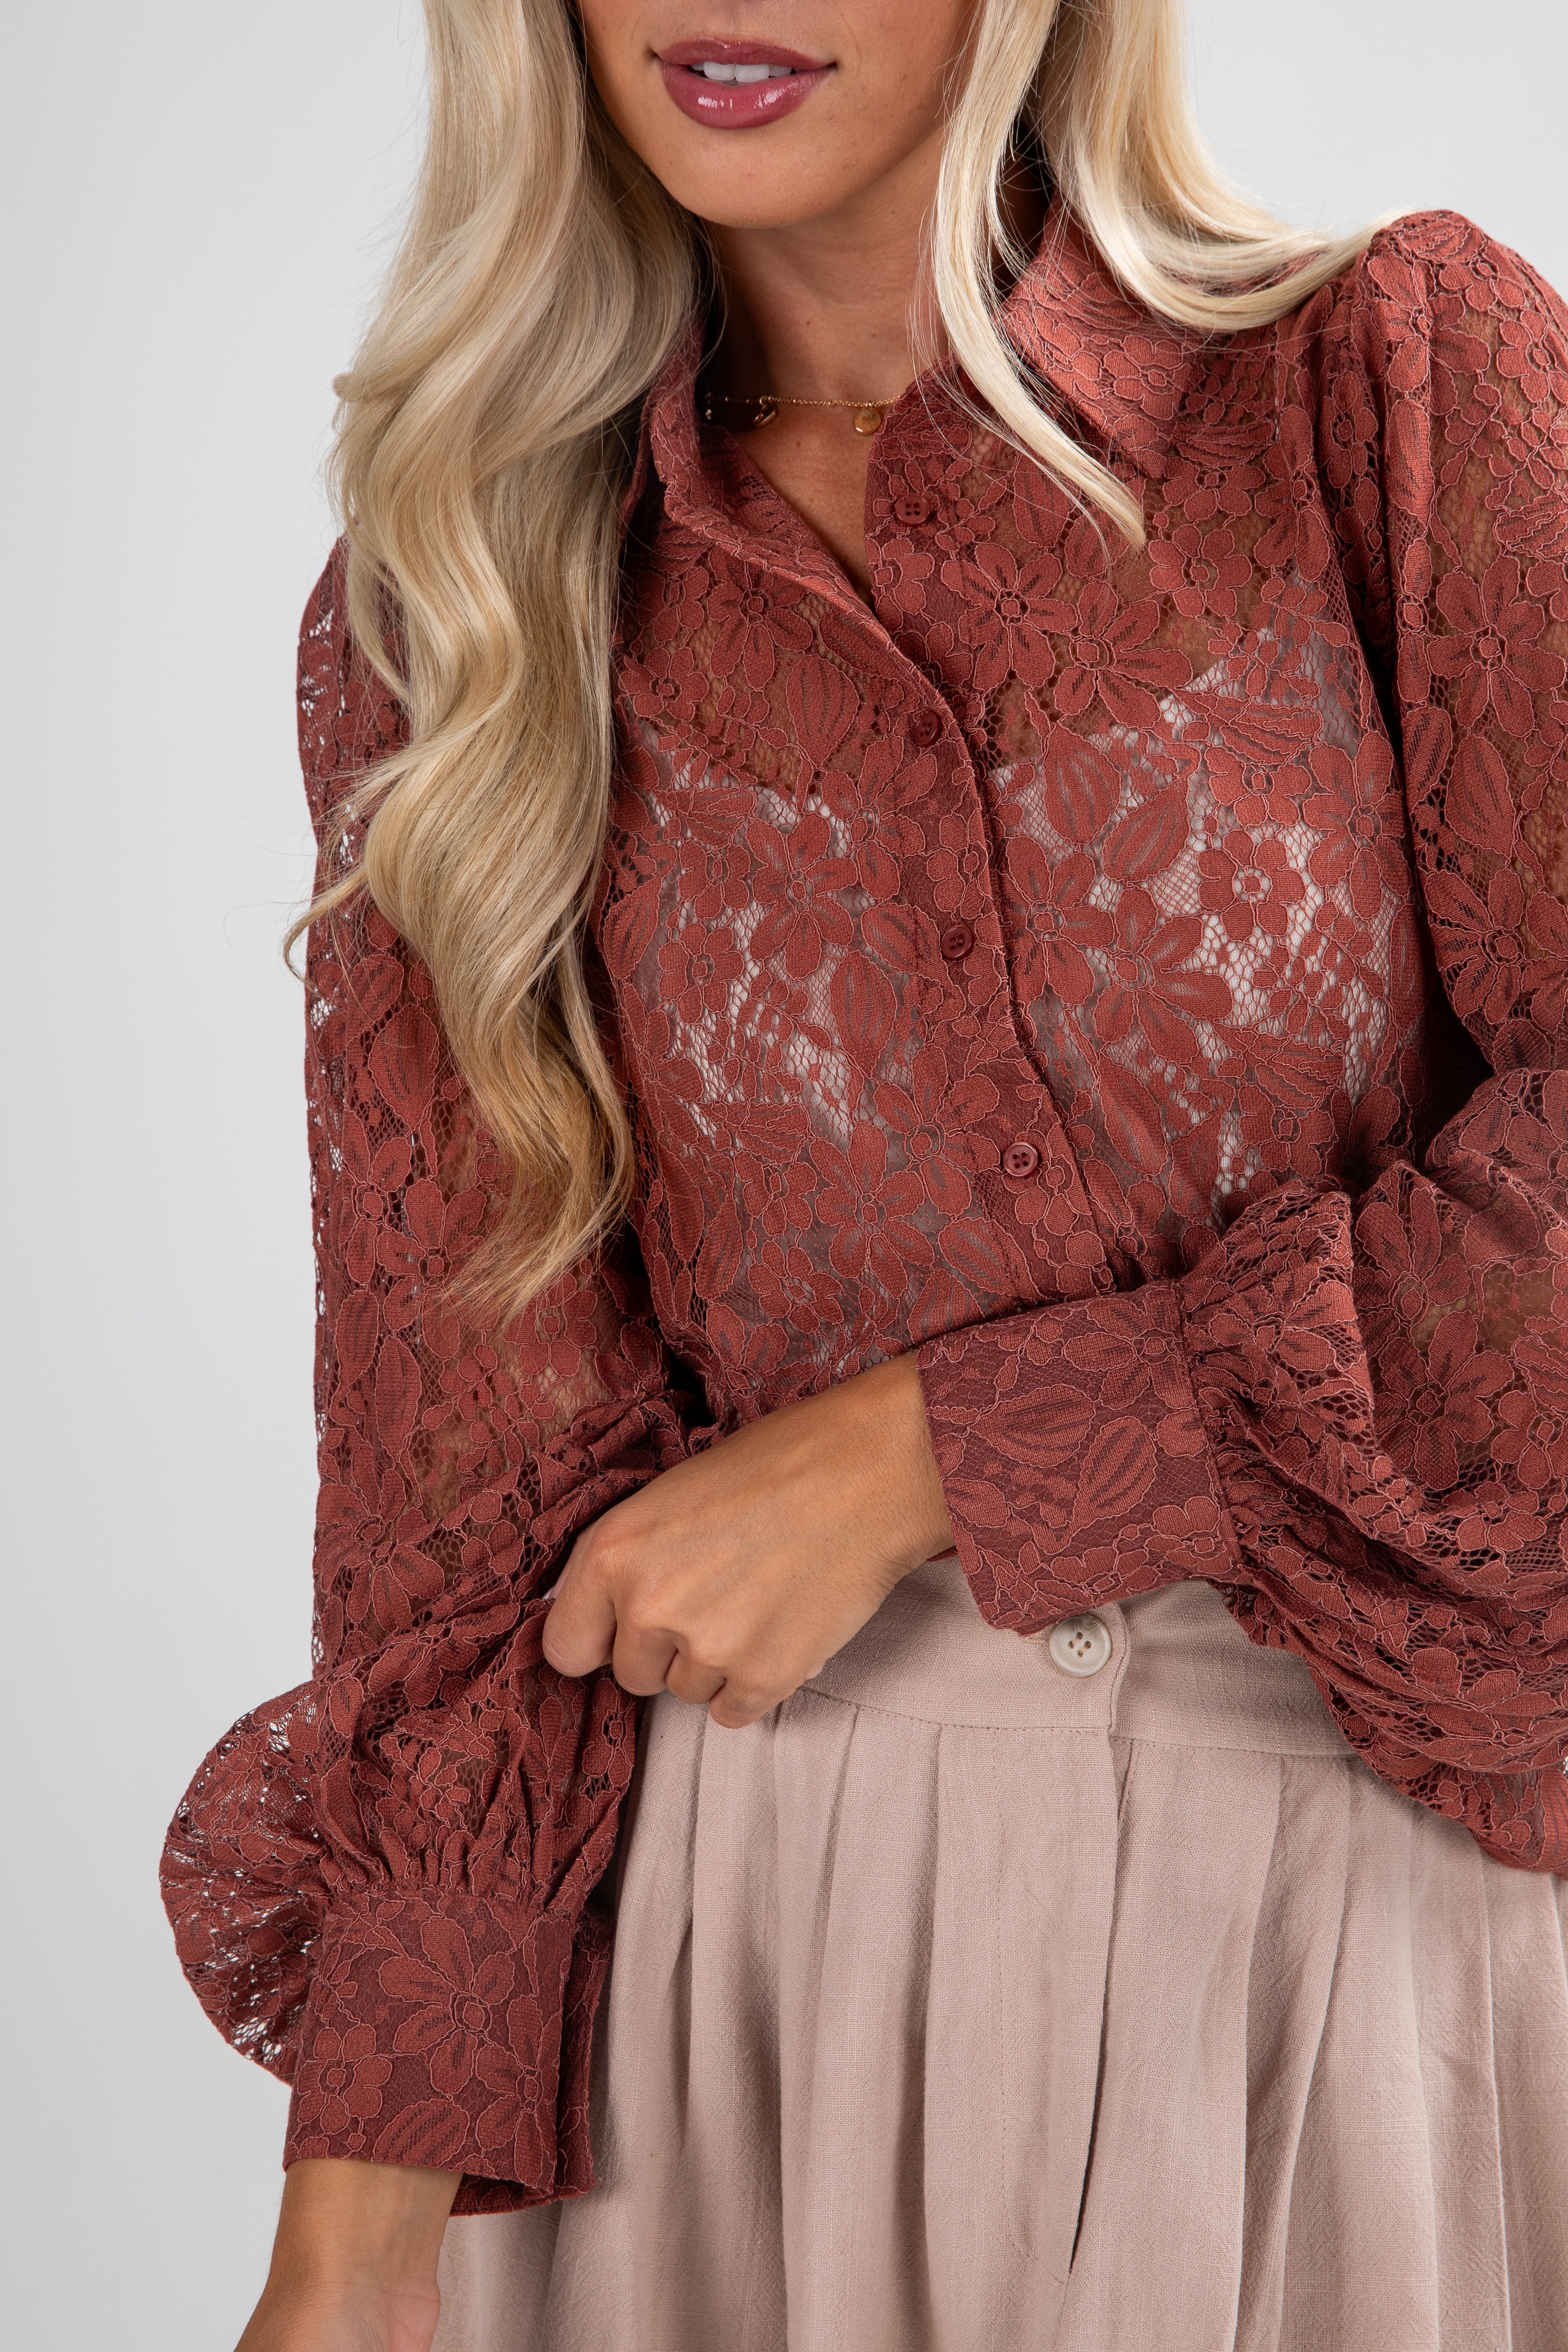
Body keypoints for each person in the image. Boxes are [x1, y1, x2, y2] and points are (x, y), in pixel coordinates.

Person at [161, 2, 1568, 2346]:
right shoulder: (471, 612)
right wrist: (351, 2241)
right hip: (769, 1994)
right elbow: (457, 1515)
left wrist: (943, 1451)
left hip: (1374, 1939)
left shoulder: (1387, 386)